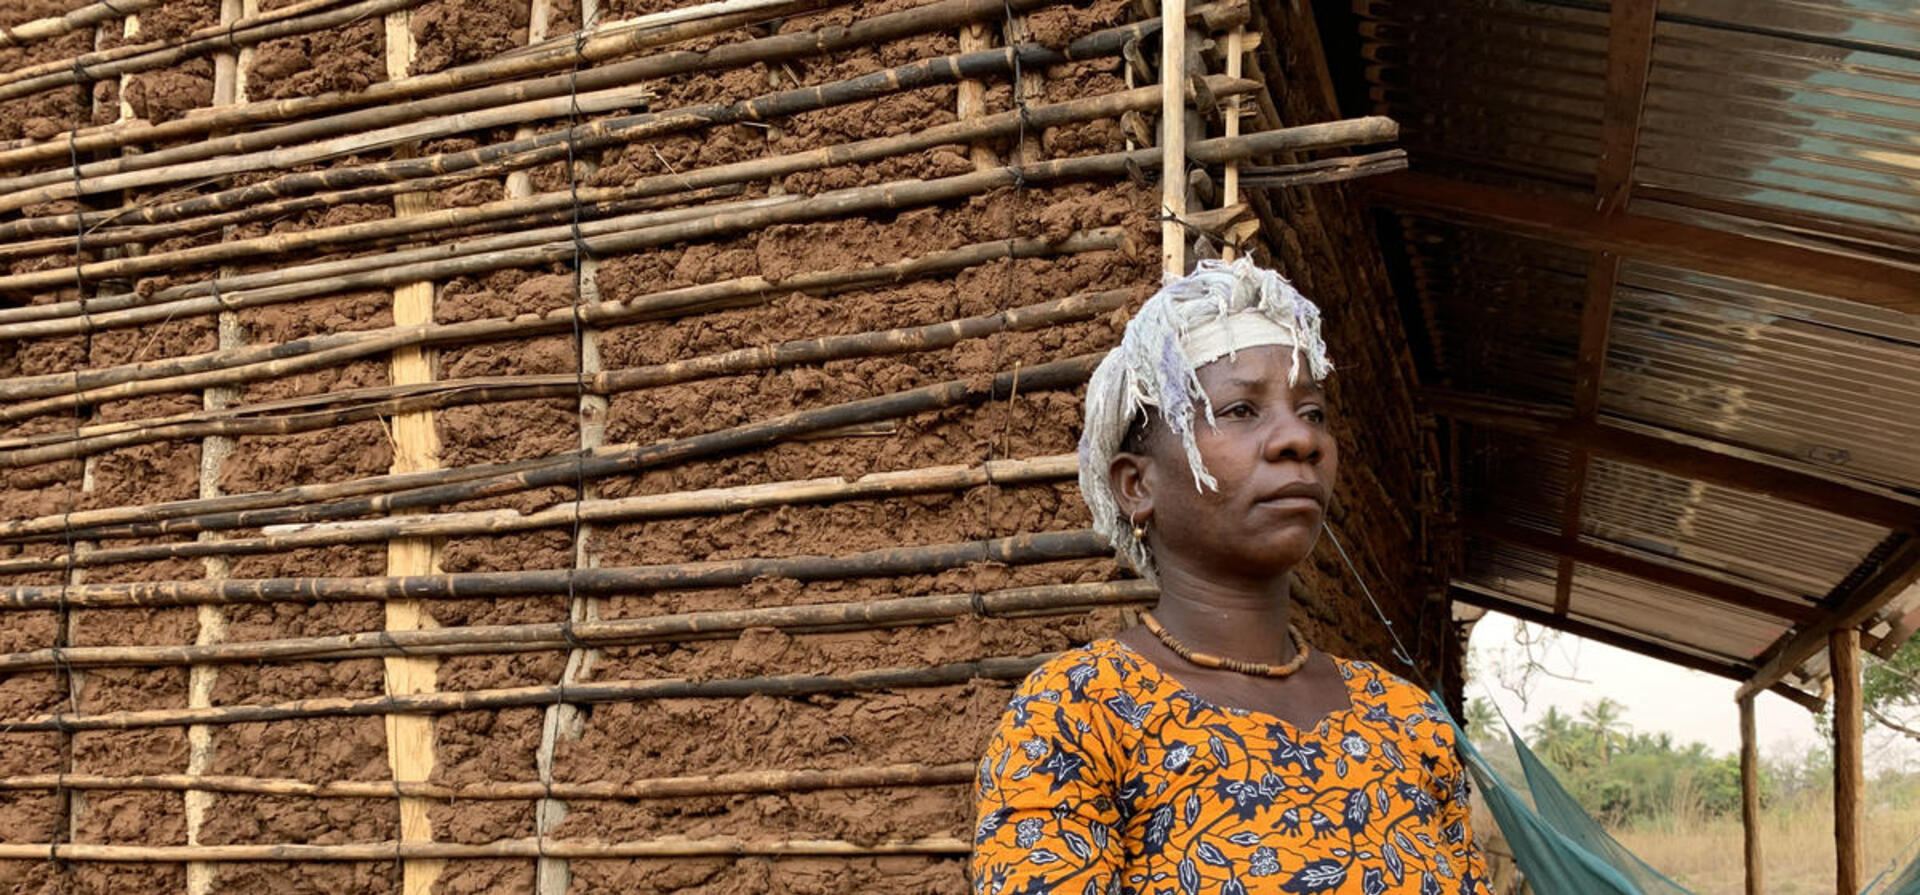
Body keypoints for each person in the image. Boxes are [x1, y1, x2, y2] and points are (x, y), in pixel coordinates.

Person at [971, 258, 1487, 895]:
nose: (1299, 438)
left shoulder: (1411, 724)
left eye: (1314, 412)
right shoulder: (1080, 714)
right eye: (1241, 410)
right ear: (1138, 485)